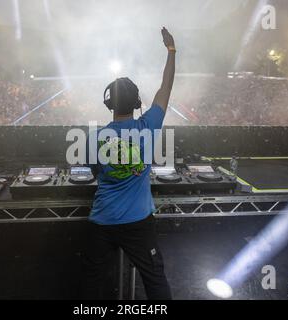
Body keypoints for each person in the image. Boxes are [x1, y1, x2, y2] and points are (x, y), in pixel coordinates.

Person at [82, 27, 176, 300]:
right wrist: (171, 51)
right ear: (137, 104)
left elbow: (96, 173)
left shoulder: (92, 139)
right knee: (155, 282)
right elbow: (165, 88)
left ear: (109, 104)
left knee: (91, 284)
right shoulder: (148, 126)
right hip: (138, 223)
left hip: (102, 221)